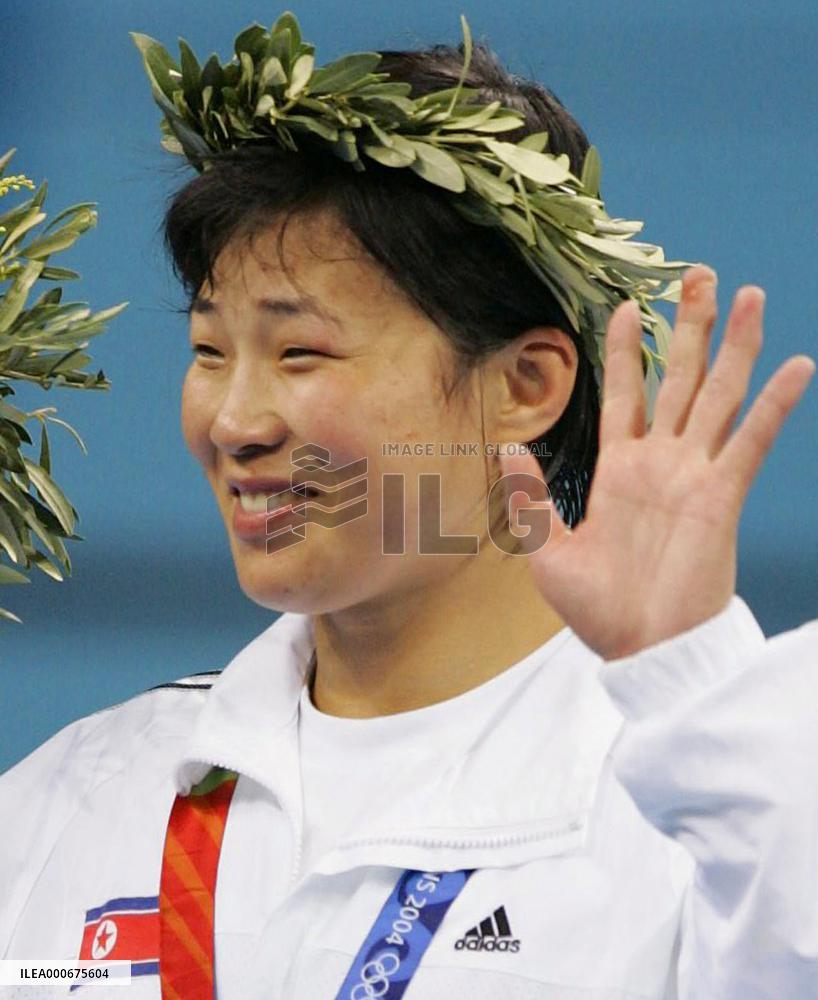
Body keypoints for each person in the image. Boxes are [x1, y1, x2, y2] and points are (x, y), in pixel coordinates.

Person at [1, 18, 816, 1000]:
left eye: (300, 353)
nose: (234, 421)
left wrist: (689, 679)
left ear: (524, 385)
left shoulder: (709, 812)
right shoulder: (70, 803)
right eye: (209, 352)